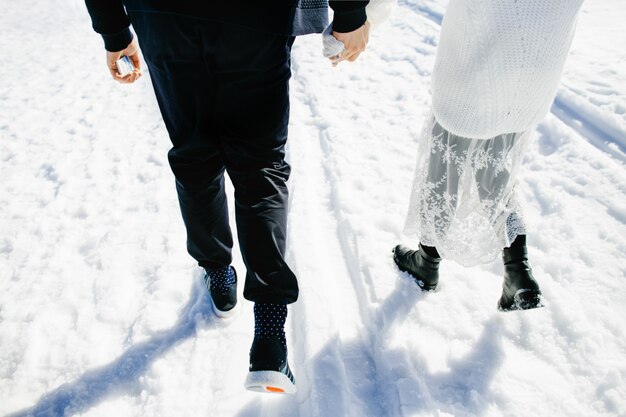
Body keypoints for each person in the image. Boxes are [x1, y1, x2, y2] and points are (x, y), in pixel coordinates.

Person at [84, 0, 370, 394]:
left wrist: (114, 29)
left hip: (164, 17)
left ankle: (219, 274)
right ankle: (269, 337)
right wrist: (351, 11)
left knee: (194, 154)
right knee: (259, 165)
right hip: (252, 17)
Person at [394, 0, 585, 311]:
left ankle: (427, 261)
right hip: (539, 58)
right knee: (496, 169)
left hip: (483, 49)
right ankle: (518, 270)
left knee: (446, 158)